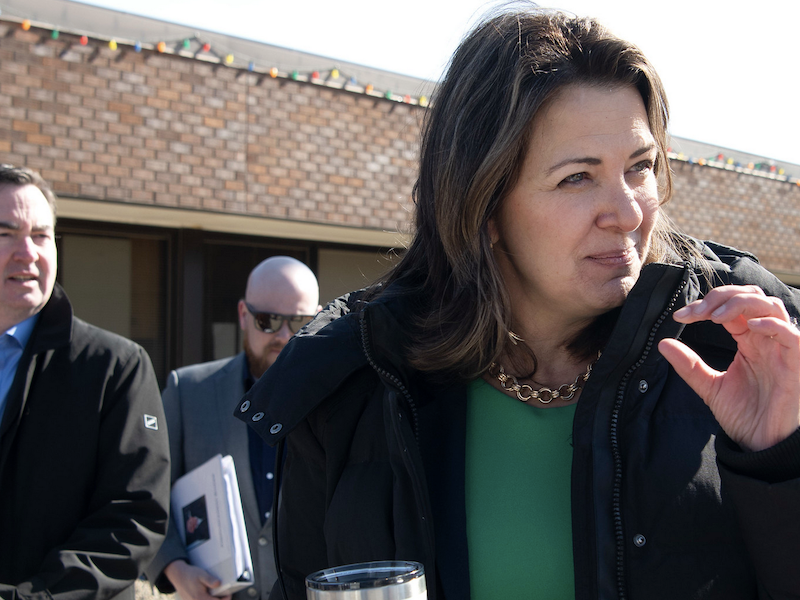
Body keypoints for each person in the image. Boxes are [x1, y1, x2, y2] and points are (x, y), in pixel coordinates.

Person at [235, 8, 800, 600]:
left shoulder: (743, 342)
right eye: (577, 178)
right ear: (485, 206)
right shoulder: (356, 380)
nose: (630, 212)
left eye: (641, 167)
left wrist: (780, 460)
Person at [0, 165, 170, 600]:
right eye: (5, 234)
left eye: (41, 235)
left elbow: (134, 518)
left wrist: (32, 597)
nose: (28, 252)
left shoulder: (116, 367)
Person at [146, 256, 321, 600]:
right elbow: (149, 498)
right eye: (268, 320)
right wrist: (175, 569)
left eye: (300, 321)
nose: (284, 336)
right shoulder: (188, 391)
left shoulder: (337, 402)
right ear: (243, 314)